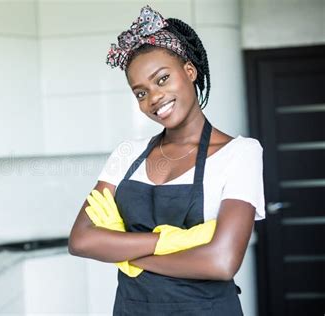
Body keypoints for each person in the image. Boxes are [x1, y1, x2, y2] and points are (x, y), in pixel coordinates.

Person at [68, 5, 265, 316]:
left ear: (189, 71)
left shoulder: (240, 153)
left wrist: (125, 253)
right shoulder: (127, 154)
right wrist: (173, 241)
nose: (153, 98)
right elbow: (80, 239)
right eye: (141, 93)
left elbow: (222, 262)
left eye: (161, 79)